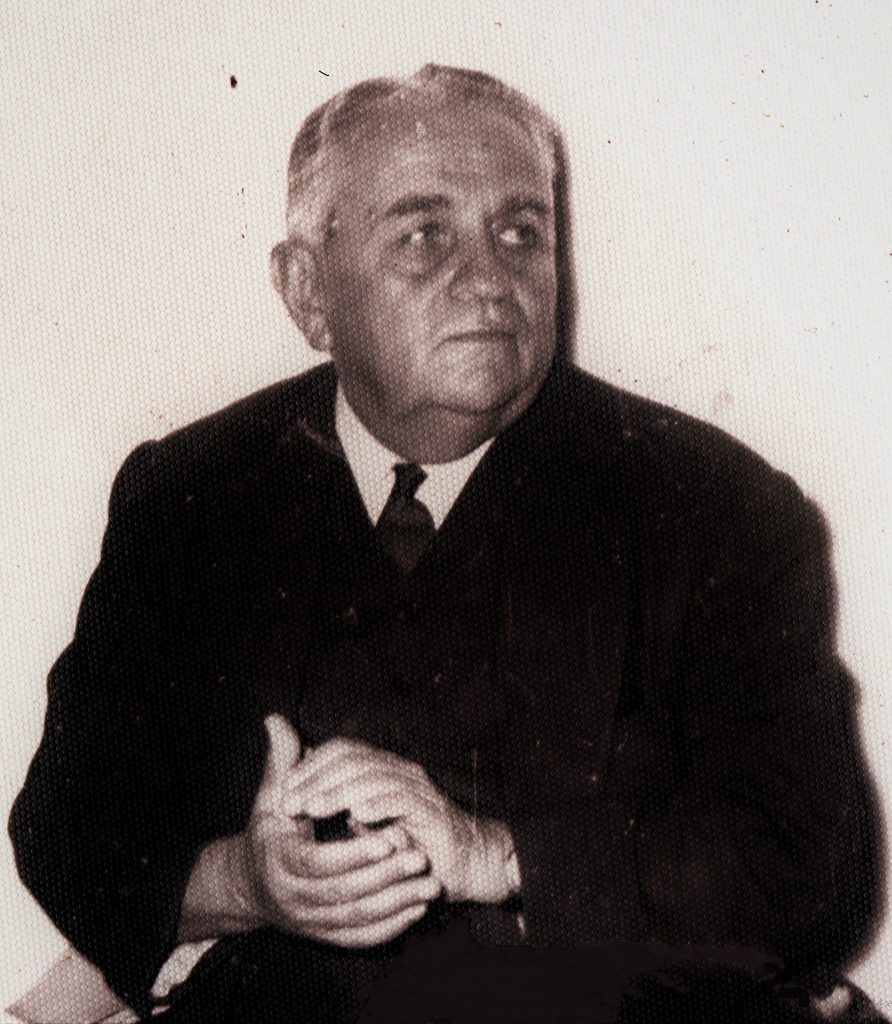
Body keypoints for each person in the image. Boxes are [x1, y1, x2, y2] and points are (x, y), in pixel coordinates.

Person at [9, 64, 883, 1023]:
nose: (490, 281)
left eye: (521, 233)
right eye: (425, 236)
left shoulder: (714, 506)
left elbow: (813, 867)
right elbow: (69, 825)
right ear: (307, 290)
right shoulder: (191, 494)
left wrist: (497, 856)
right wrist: (244, 884)